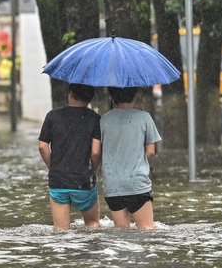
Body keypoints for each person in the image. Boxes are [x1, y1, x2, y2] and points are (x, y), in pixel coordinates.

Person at [38, 83, 101, 230]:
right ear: (90, 97)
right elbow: (96, 152)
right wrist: (94, 170)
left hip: (58, 180)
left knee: (61, 230)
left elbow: (42, 146)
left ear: (70, 93)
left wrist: (53, 167)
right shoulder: (95, 119)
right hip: (83, 181)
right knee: (92, 224)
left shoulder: (52, 116)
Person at [100, 86, 161, 229]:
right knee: (146, 229)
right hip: (137, 183)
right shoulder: (145, 117)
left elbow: (97, 151)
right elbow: (151, 151)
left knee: (121, 231)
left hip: (113, 185)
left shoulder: (103, 119)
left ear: (111, 97)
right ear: (135, 96)